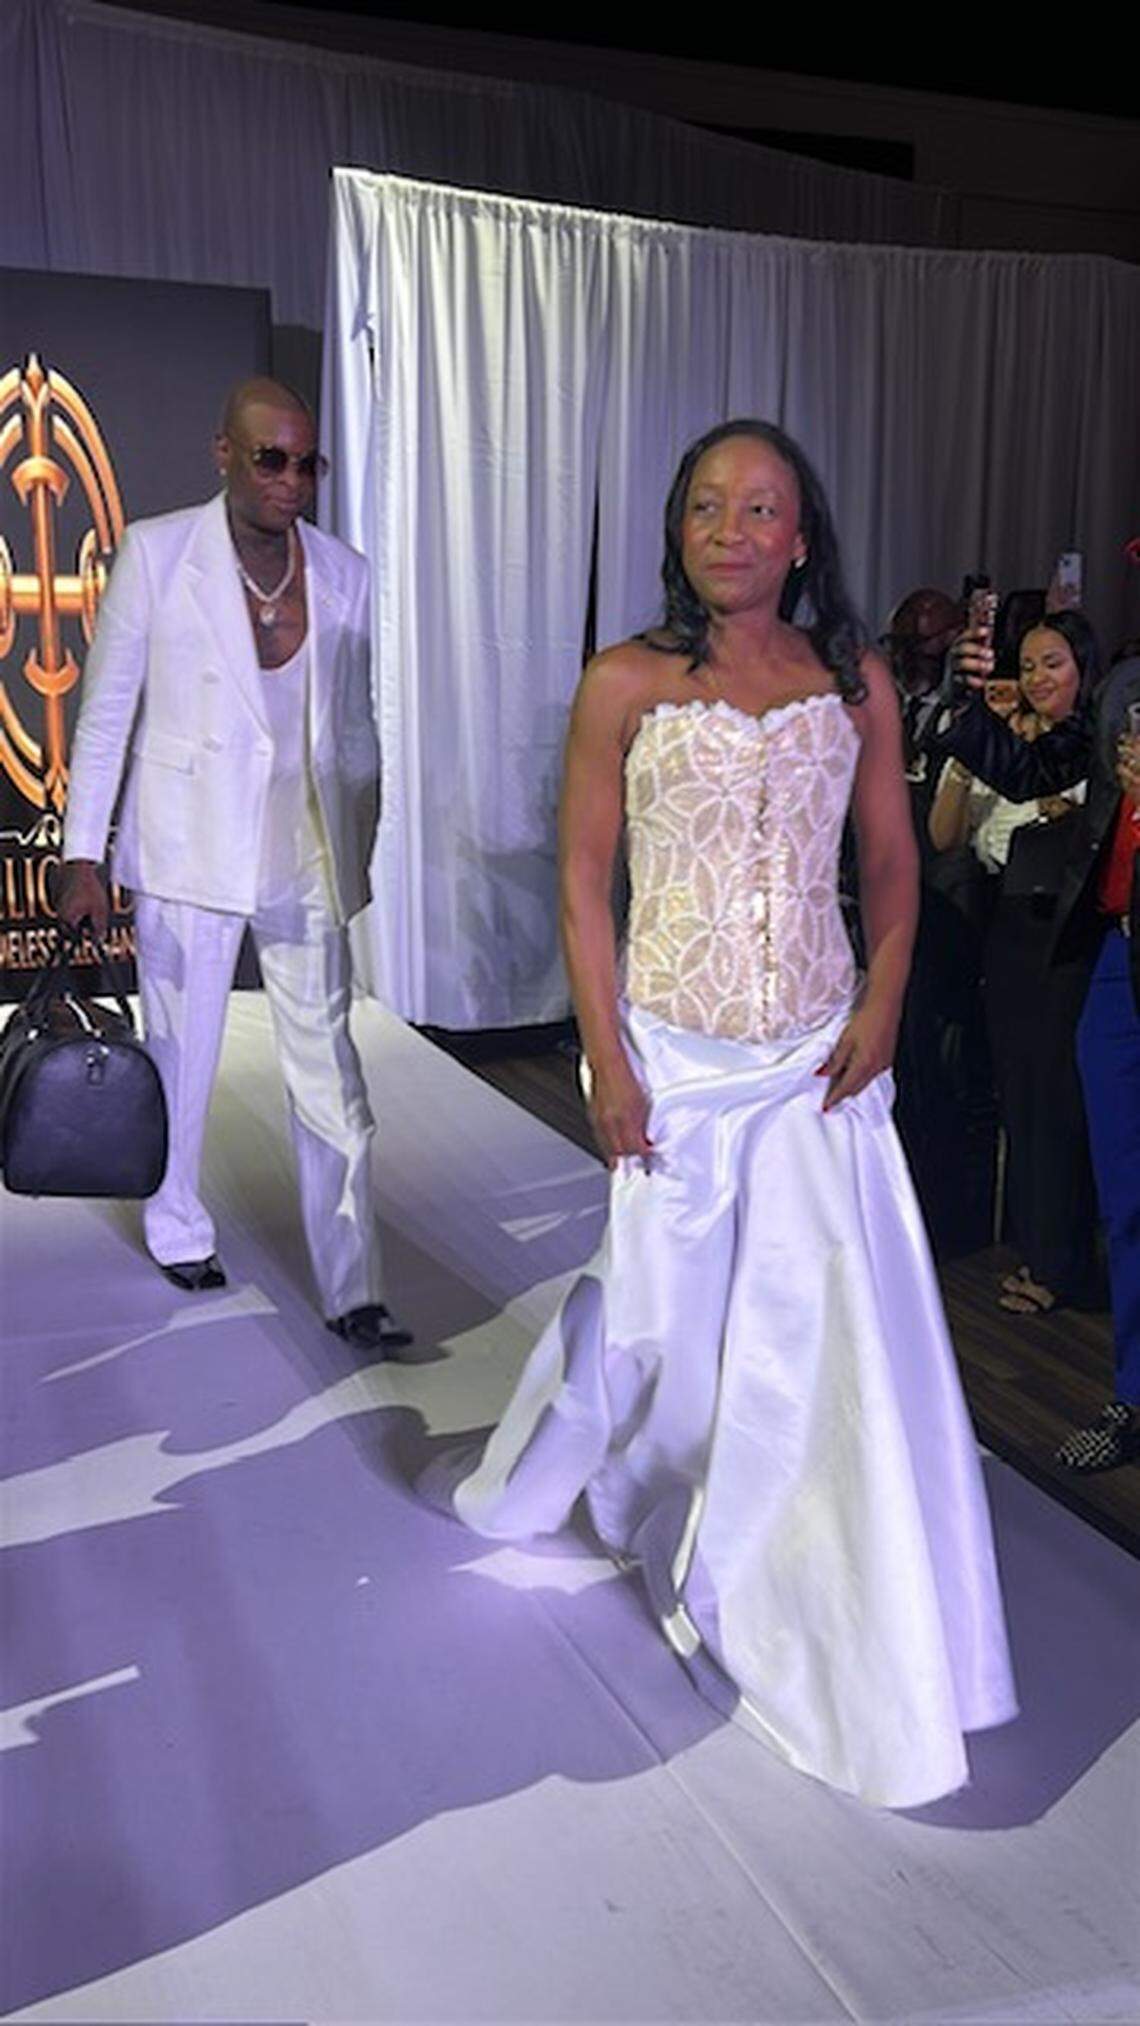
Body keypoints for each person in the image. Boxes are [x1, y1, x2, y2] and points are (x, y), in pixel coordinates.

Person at [422, 420, 1016, 1809]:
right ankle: (585, 1472)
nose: (733, 529)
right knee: (657, 1325)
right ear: (677, 530)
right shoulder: (623, 680)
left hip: (816, 1057)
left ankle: (792, 1584)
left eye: (762, 508)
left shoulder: (853, 677)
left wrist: (883, 1002)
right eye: (707, 506)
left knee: (816, 1335)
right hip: (675, 1057)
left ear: (803, 536)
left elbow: (886, 861)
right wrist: (607, 1057)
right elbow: (583, 881)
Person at [57, 377, 408, 1353]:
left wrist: (360, 842)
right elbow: (106, 715)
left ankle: (354, 1283)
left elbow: (355, 725)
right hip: (185, 844)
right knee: (184, 1054)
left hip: (303, 851)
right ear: (224, 453)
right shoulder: (160, 554)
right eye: (270, 458)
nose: (290, 479)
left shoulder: (346, 571)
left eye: (306, 462)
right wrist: (84, 851)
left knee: (330, 1074)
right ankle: (178, 1226)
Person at [925, 631, 1140, 1471]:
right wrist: (967, 709)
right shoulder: (1126, 684)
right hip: (1118, 958)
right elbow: (1036, 770)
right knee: (1124, 1194)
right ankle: (1132, 1396)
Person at [928, 614, 1101, 1315]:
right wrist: (970, 760)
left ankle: (1062, 1262)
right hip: (1005, 929)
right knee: (1019, 1098)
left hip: (1064, 934)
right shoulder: (1004, 740)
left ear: (1083, 669)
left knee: (1056, 1101)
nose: (1037, 680)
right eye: (1027, 665)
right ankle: (1039, 1251)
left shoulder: (1090, 743)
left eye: (1052, 663)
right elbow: (945, 836)